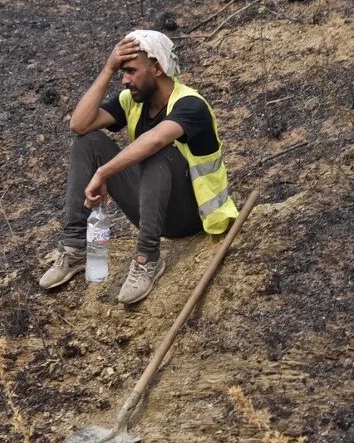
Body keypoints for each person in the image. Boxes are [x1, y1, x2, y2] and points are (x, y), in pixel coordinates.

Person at [39, 29, 239, 304]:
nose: (125, 80)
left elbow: (155, 141)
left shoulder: (191, 105)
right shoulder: (132, 102)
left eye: (131, 71)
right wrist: (108, 68)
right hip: (152, 208)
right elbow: (79, 124)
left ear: (157, 68)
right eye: (122, 72)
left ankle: (147, 259)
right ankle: (74, 247)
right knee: (88, 141)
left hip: (195, 216)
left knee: (158, 152)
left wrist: (103, 172)